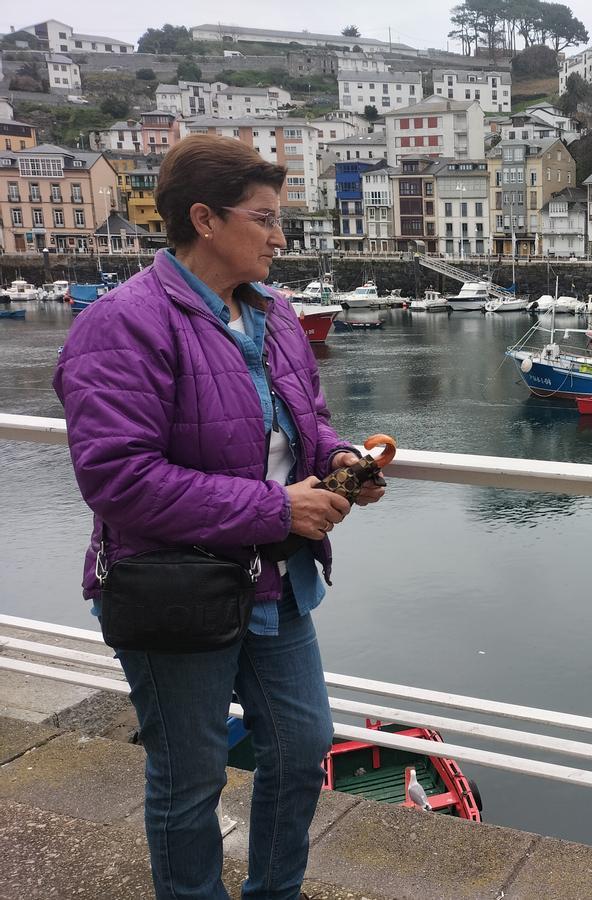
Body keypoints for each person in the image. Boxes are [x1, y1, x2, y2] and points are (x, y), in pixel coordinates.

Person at [54, 134, 385, 900]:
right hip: (175, 589)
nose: (280, 238)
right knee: (189, 779)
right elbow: (118, 479)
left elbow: (308, 421)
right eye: (265, 219)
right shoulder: (121, 325)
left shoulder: (273, 312)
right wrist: (277, 507)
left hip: (278, 580)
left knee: (302, 751)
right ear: (204, 219)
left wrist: (340, 462)